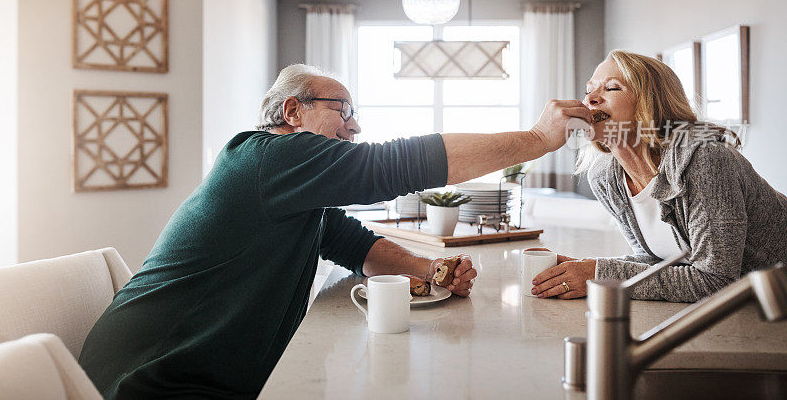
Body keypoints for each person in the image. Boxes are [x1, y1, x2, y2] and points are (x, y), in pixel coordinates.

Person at [79, 64, 591, 398]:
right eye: (343, 111)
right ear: (292, 111)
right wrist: (535, 139)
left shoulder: (286, 184)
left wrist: (430, 269)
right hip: (151, 380)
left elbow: (351, 242)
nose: (355, 127)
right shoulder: (269, 156)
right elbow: (392, 166)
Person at [531, 51, 787, 303]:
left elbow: (716, 281)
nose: (591, 100)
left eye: (611, 88)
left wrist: (597, 274)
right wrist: (589, 267)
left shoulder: (705, 160)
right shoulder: (605, 177)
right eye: (589, 90)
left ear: (651, 105)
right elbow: (654, 260)